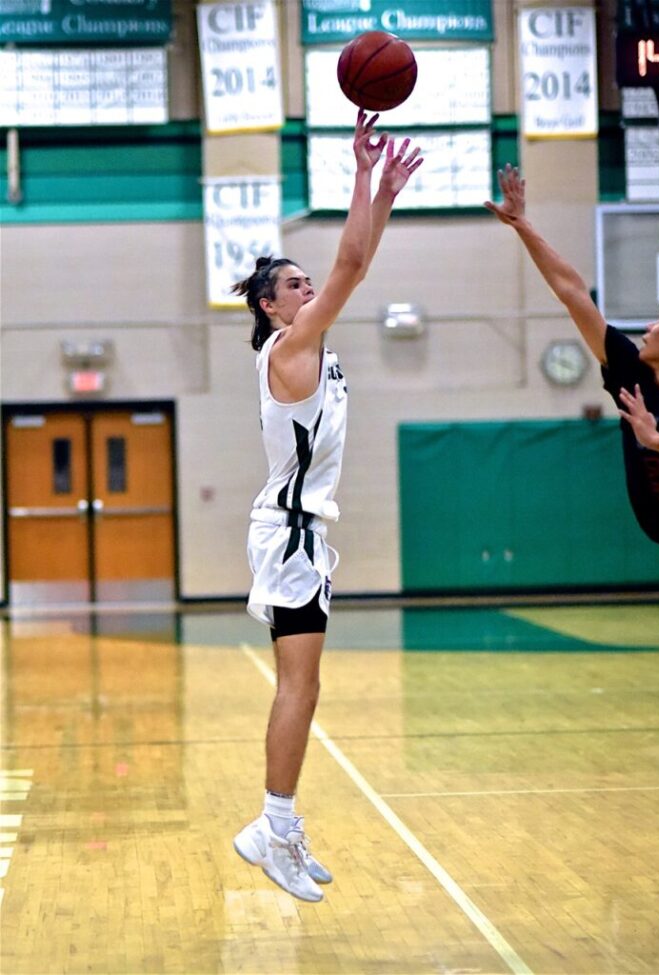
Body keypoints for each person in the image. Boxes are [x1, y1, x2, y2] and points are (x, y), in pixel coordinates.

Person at [230, 110, 423, 902]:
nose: (308, 287)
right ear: (273, 308)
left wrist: (384, 188)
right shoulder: (293, 347)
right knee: (297, 688)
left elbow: (356, 261)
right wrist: (359, 171)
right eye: (293, 285)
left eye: (308, 282)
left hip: (301, 535)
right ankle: (273, 827)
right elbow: (350, 258)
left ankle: (272, 824)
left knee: (304, 687)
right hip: (291, 537)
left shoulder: (305, 338)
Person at [485, 164, 659, 669]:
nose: (649, 325)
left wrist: (658, 441)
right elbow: (572, 291)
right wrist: (522, 224)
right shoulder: (632, 374)